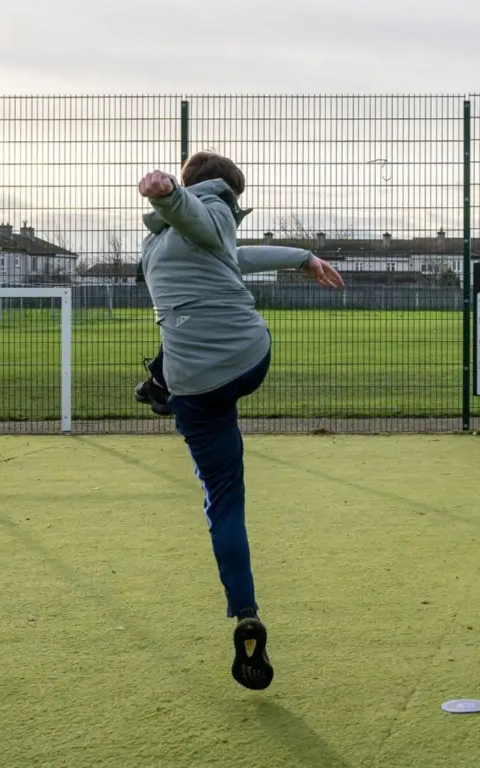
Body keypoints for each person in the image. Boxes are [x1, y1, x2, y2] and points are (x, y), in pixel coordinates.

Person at [135, 151, 343, 690]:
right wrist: (167, 194)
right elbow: (205, 222)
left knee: (222, 500)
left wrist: (301, 257)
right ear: (227, 190)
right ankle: (248, 616)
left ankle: (244, 607)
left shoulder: (155, 243)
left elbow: (232, 251)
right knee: (227, 492)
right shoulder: (213, 209)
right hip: (248, 360)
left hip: (194, 387)